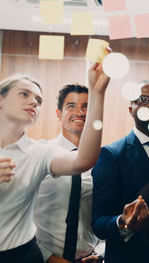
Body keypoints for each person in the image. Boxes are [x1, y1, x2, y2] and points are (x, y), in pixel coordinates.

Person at [0, 63, 109, 263]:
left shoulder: (40, 152)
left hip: (23, 255)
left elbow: (83, 160)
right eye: (24, 94)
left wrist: (98, 91)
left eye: (38, 100)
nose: (33, 102)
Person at [91, 80, 149, 262]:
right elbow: (99, 222)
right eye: (141, 99)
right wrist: (123, 222)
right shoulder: (112, 155)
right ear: (131, 110)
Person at [34, 84, 105, 263]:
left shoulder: (104, 160)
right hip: (42, 257)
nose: (80, 112)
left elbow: (104, 214)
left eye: (86, 106)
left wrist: (99, 254)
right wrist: (47, 257)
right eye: (71, 106)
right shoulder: (40, 153)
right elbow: (22, 214)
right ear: (59, 113)